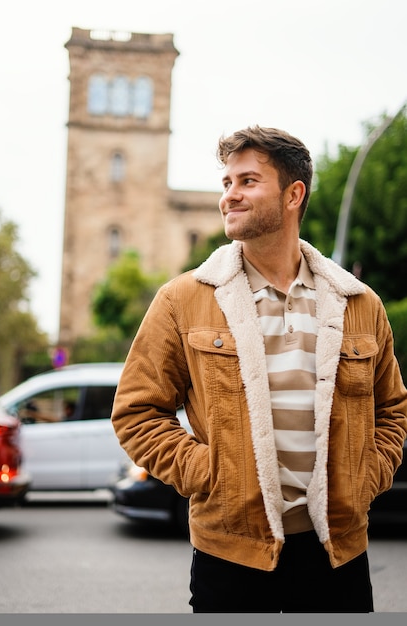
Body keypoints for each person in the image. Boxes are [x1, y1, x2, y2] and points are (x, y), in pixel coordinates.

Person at [111, 125, 407, 613]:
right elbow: (136, 413)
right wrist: (211, 474)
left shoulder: (358, 303)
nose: (230, 196)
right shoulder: (183, 300)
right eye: (227, 183)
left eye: (247, 181)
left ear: (293, 194)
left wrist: (366, 476)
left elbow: (391, 409)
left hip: (338, 553)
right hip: (230, 553)